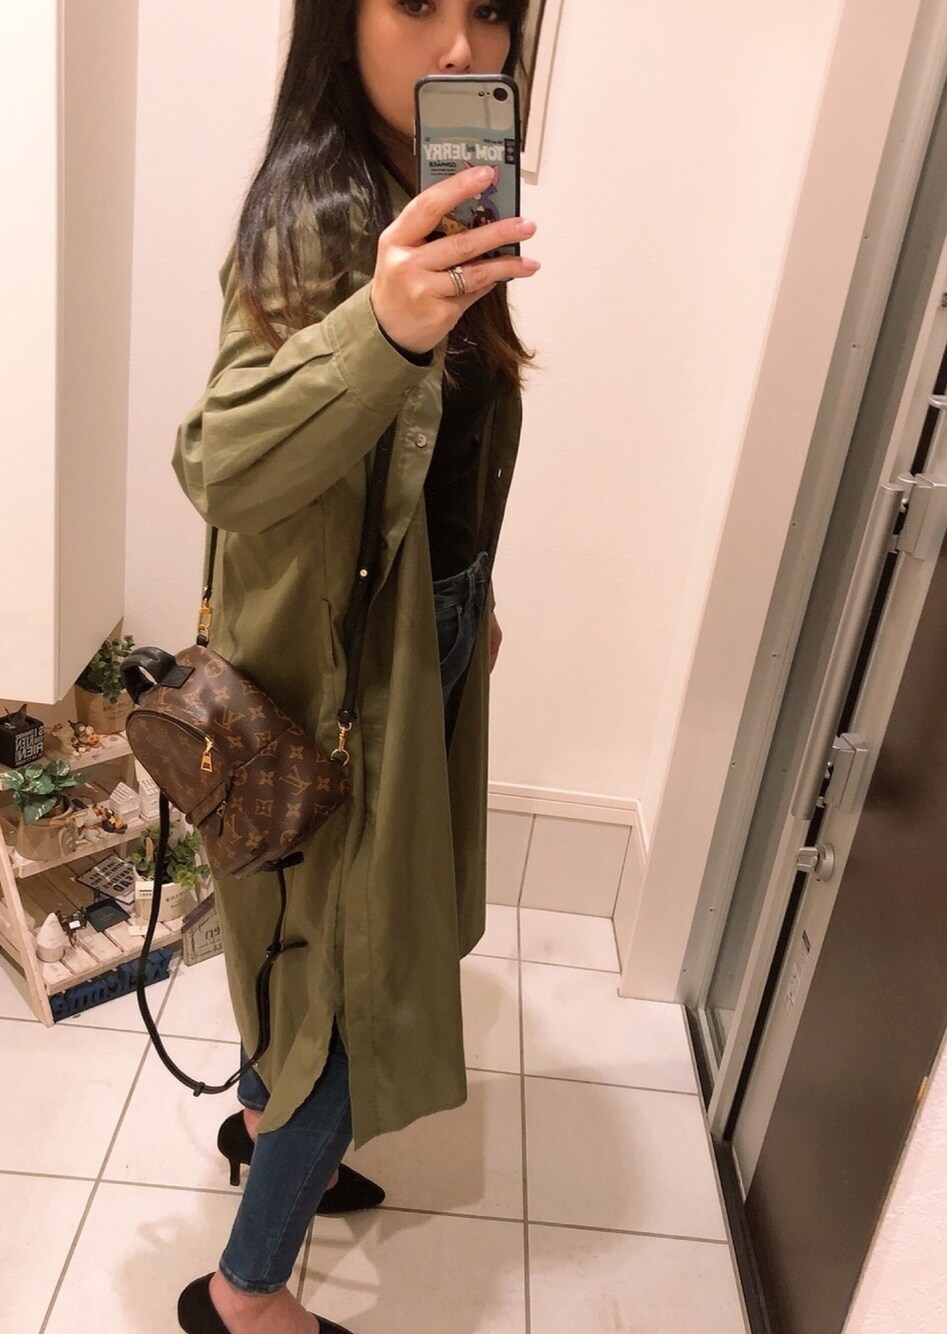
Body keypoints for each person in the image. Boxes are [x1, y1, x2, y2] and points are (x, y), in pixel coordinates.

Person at [170, 1, 539, 1331]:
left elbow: (439, 457)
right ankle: (245, 1291)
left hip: (422, 633)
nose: (462, 52)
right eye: (418, 4)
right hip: (338, 678)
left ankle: (269, 1124)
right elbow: (222, 460)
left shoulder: (433, 202)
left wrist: (472, 599)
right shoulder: (319, 220)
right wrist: (379, 329)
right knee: (350, 985)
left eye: (490, 13)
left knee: (312, 943)